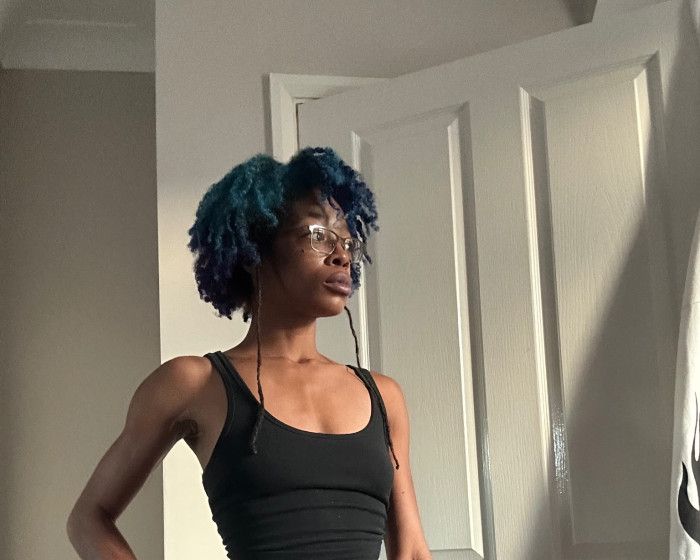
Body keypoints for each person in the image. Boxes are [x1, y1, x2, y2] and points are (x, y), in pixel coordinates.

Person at [66, 146, 432, 559]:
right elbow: (88, 518)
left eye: (348, 242)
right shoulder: (193, 384)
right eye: (318, 235)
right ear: (253, 250)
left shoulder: (384, 396)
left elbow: (412, 551)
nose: (342, 255)